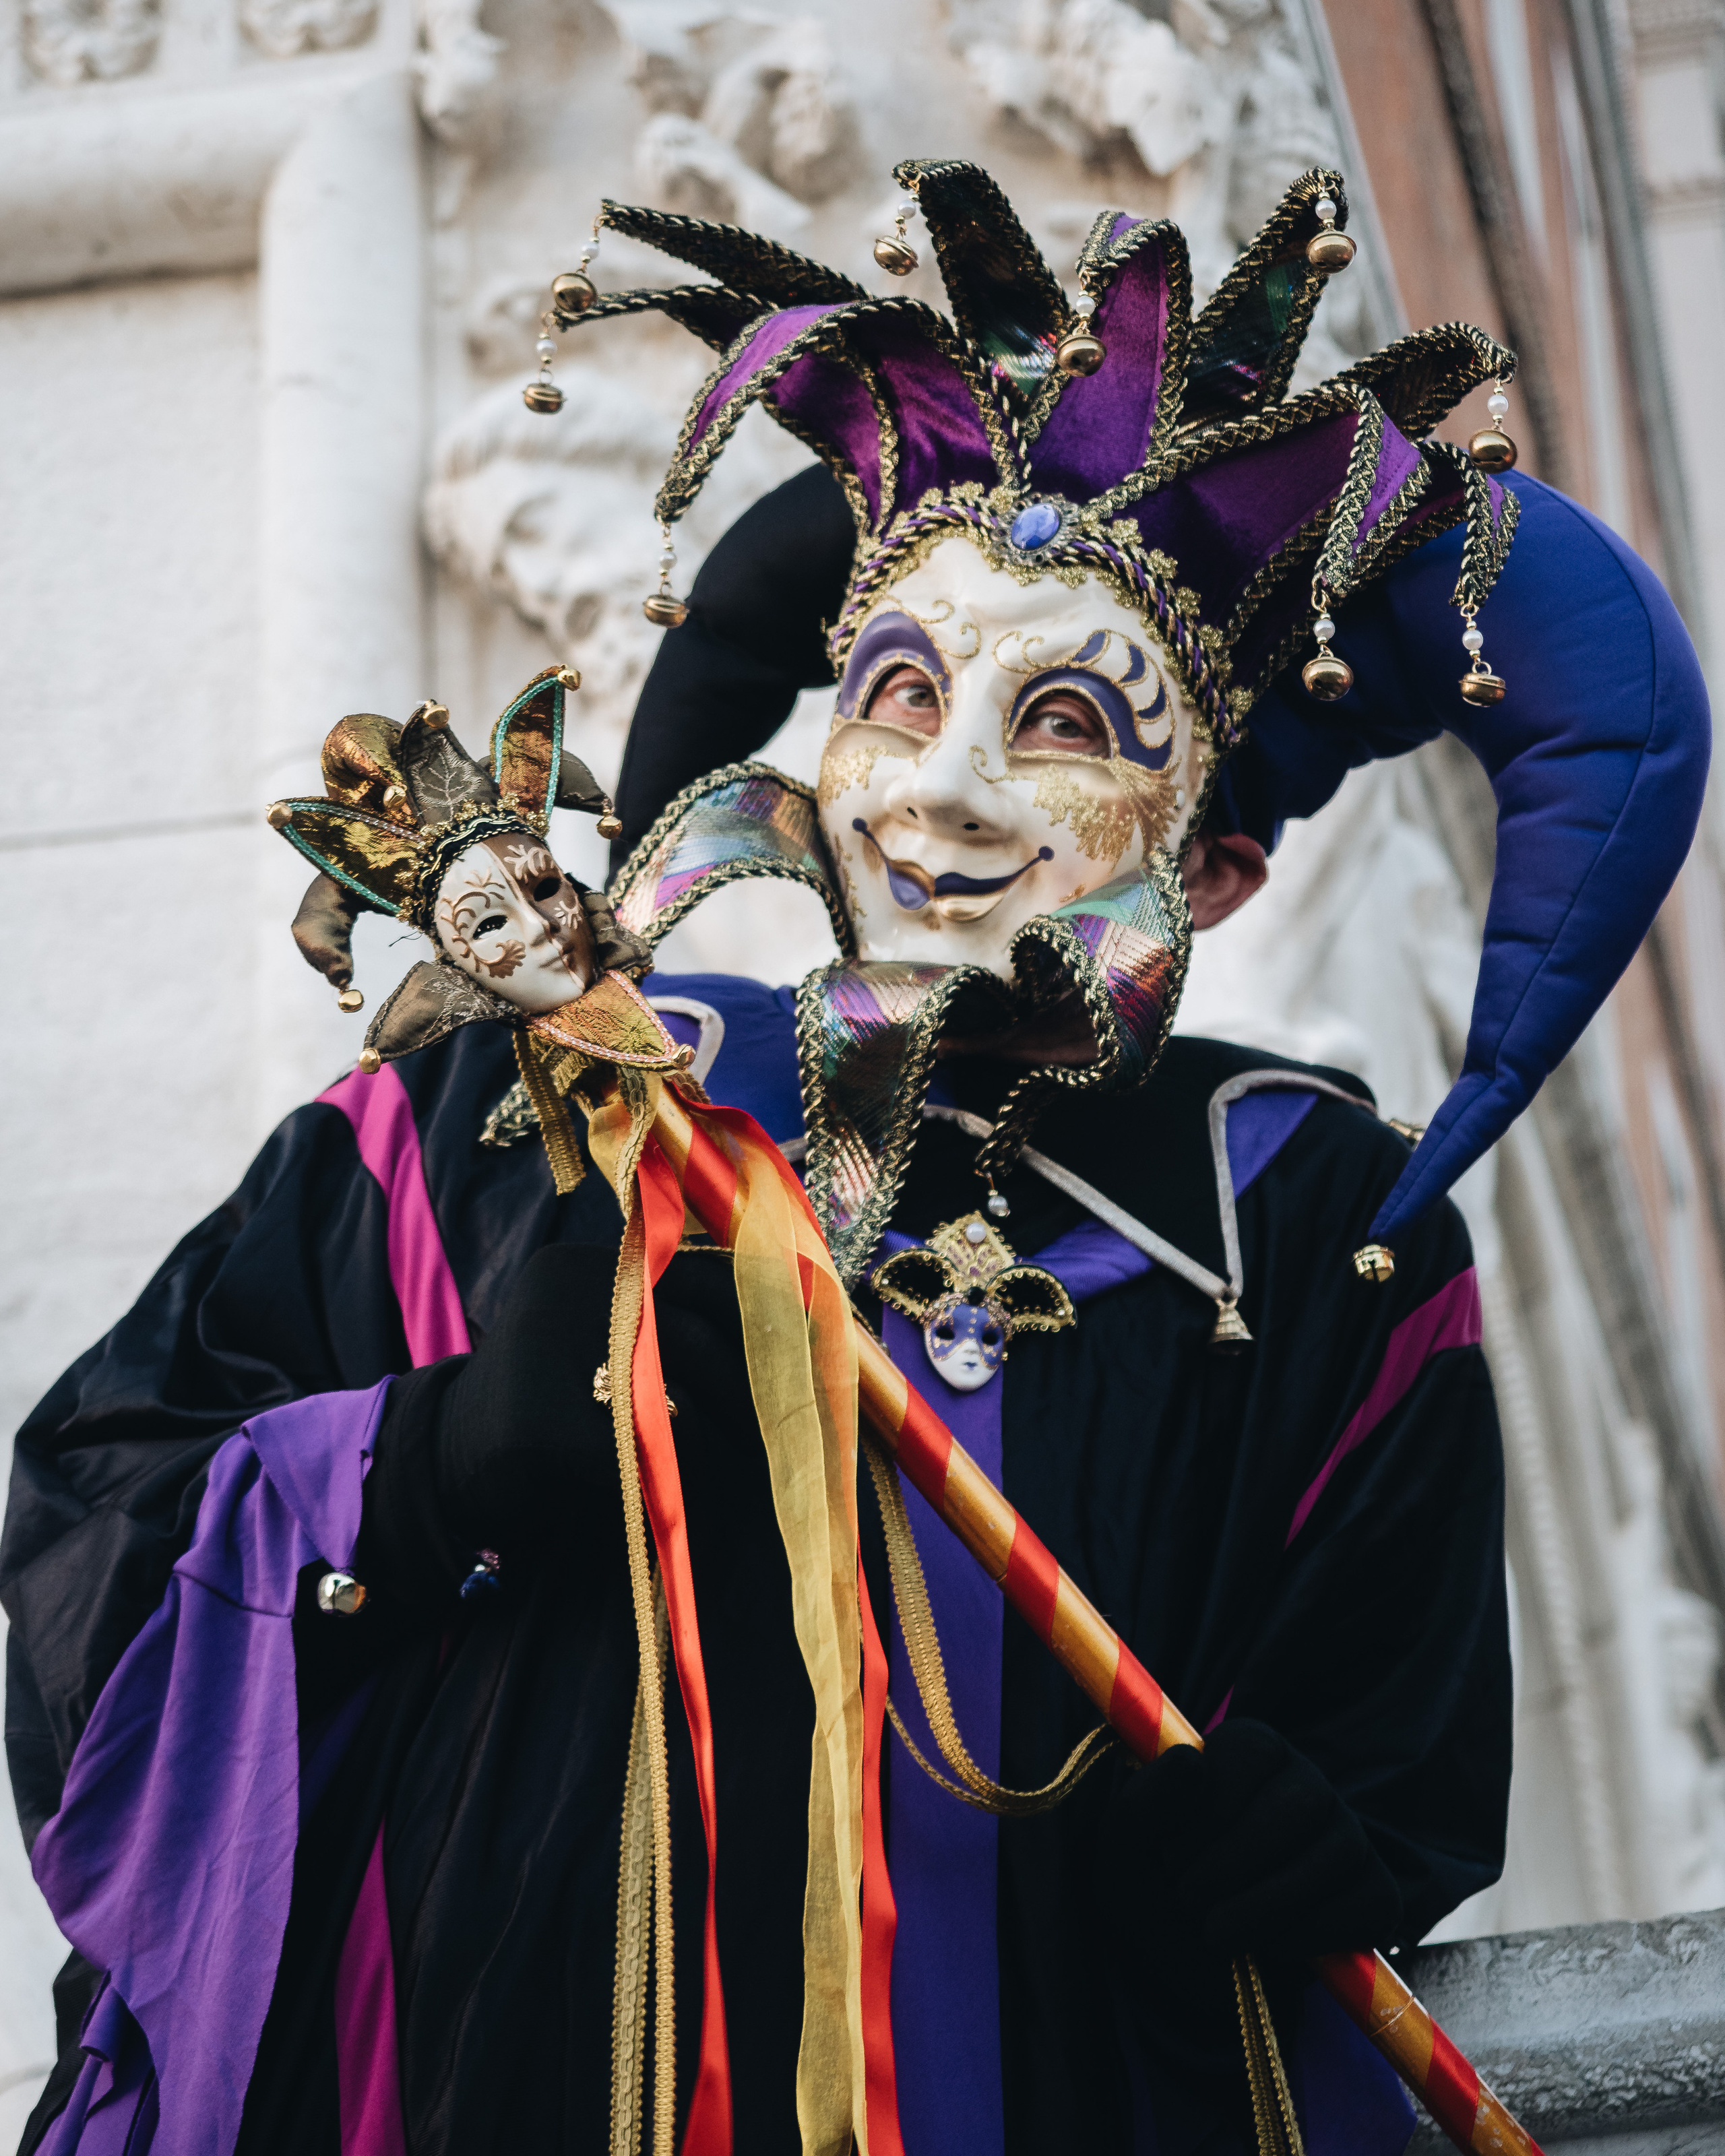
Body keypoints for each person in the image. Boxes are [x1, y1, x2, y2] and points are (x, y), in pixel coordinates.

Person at [3, 158, 1708, 2156]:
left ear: (1219, 864)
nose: (952, 790)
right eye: (901, 693)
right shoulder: (535, 1102)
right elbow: (87, 1540)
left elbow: (1396, 1760)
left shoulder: (1314, 1222)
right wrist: (431, 1460)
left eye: (1067, 719)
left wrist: (1310, 1837)